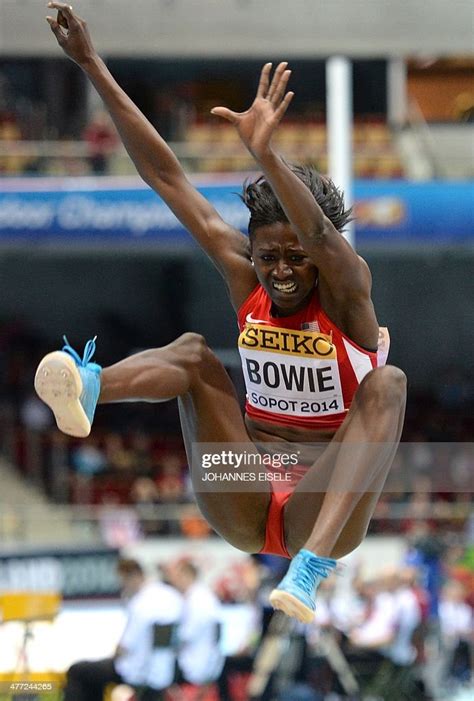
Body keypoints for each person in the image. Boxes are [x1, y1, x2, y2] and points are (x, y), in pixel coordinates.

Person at [37, 2, 407, 624]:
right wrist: (91, 63)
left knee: (388, 384)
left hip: (323, 506)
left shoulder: (348, 291)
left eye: (296, 259)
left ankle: (310, 572)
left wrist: (266, 154)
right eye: (269, 258)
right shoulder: (247, 273)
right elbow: (166, 176)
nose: (282, 271)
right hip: (242, 486)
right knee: (192, 355)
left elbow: (318, 234)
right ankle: (89, 385)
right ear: (252, 251)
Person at [63, 558, 183, 701]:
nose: (122, 586)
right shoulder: (172, 596)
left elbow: (125, 647)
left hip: (139, 673)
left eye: (123, 581)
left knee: (78, 671)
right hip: (166, 671)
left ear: (132, 576)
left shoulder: (141, 603)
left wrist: (113, 655)